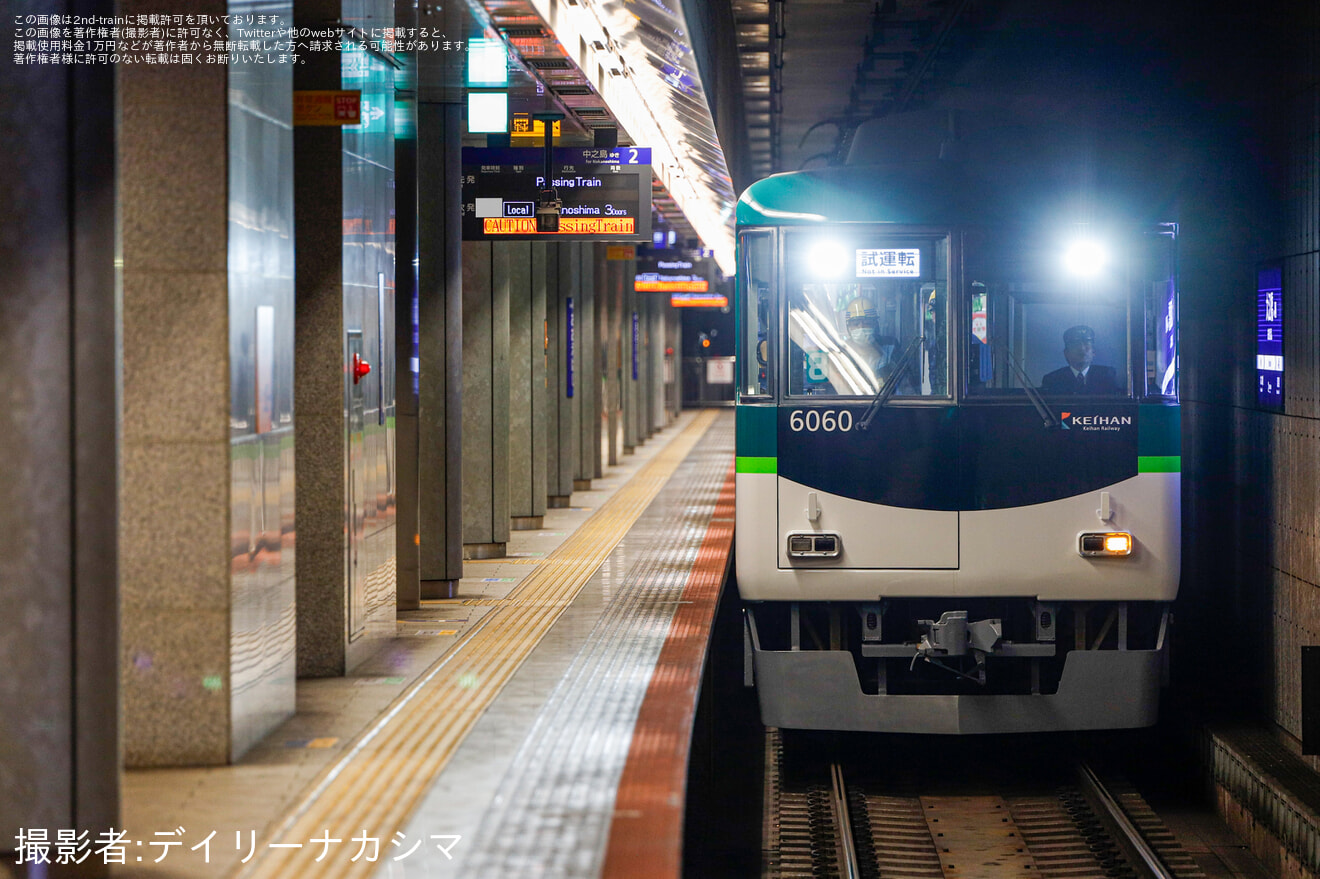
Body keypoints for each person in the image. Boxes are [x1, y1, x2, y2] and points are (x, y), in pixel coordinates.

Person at [1040, 324, 1119, 394]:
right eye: (1075, 345)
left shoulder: (1107, 375)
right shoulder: (1053, 380)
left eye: (1086, 344)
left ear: (1093, 352)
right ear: (1066, 353)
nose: (1082, 348)